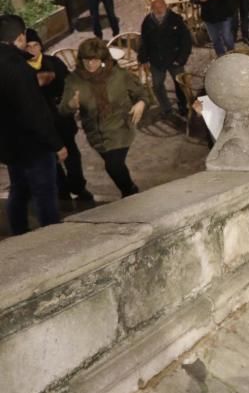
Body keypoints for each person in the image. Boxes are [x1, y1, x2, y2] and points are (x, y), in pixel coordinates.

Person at [0, 15, 66, 234]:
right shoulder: (19, 68)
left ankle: (19, 232)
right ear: (20, 37)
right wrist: (57, 144)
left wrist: (31, 80)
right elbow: (34, 114)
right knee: (44, 193)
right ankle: (52, 237)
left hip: (9, 145)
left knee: (19, 189)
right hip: (33, 146)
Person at [60, 38, 146, 198]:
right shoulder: (74, 80)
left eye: (95, 60)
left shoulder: (119, 75)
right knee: (115, 165)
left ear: (102, 59)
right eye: (87, 60)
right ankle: (129, 190)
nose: (91, 64)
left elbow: (141, 92)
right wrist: (71, 104)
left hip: (120, 128)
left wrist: (140, 102)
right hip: (96, 134)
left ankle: (129, 192)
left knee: (113, 165)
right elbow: (63, 110)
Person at [24, 29, 91, 203]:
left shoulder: (53, 62)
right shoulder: (21, 71)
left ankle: (78, 187)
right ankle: (62, 191)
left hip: (61, 119)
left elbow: (69, 83)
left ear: (40, 45)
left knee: (72, 156)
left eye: (35, 45)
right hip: (42, 124)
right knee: (52, 160)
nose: (32, 50)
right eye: (28, 46)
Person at [138, 0, 192, 122]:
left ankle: (183, 105)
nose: (159, 10)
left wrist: (181, 59)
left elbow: (185, 40)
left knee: (180, 84)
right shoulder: (147, 22)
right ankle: (166, 108)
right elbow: (144, 42)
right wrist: (143, 58)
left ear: (165, 6)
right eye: (156, 8)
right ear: (152, 9)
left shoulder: (176, 19)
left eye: (161, 7)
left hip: (174, 58)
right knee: (157, 85)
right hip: (157, 60)